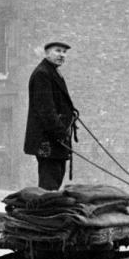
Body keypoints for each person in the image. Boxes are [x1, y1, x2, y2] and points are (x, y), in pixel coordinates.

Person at [24, 40, 79, 190]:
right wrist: (61, 133)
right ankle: (44, 213)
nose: (62, 55)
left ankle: (47, 210)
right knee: (49, 186)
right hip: (48, 142)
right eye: (58, 51)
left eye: (64, 52)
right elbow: (45, 110)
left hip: (55, 141)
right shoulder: (43, 74)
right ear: (47, 53)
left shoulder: (53, 72)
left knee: (55, 180)